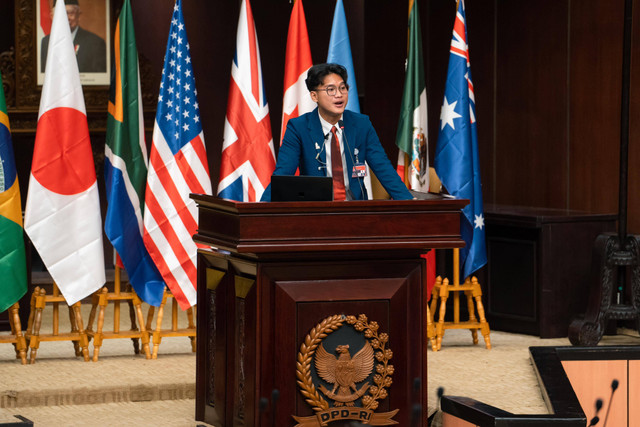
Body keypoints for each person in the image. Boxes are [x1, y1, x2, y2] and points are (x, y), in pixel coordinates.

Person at [261, 63, 412, 201]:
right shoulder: (298, 127)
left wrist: (409, 202)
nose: (339, 95)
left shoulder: (361, 124)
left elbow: (383, 168)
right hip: (316, 211)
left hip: (355, 210)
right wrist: (261, 208)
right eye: (331, 89)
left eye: (342, 88)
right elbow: (283, 173)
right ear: (314, 96)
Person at [40, 0, 106, 73]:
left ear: (79, 15)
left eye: (70, 13)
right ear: (52, 17)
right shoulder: (46, 42)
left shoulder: (95, 43)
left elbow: (100, 79)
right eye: (61, 13)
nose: (66, 18)